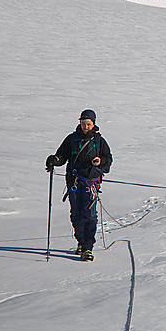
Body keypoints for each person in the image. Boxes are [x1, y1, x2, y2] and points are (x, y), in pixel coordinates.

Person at [45, 109, 112, 261]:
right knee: (76, 215)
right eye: (83, 124)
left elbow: (108, 159)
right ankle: (81, 243)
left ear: (94, 124)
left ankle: (88, 247)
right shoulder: (72, 139)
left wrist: (100, 161)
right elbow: (62, 155)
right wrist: (54, 160)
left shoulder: (99, 141)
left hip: (91, 182)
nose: (85, 127)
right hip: (73, 181)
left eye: (88, 124)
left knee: (89, 215)